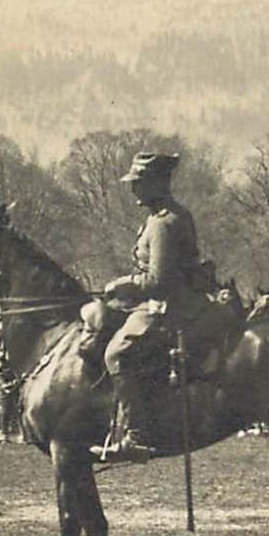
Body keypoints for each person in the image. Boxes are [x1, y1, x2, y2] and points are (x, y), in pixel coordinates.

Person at [93, 151, 216, 463]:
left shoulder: (164, 223)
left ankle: (136, 435)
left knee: (115, 353)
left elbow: (159, 281)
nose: (133, 188)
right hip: (165, 303)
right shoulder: (161, 217)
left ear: (158, 183)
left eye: (139, 182)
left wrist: (122, 285)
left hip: (170, 308)